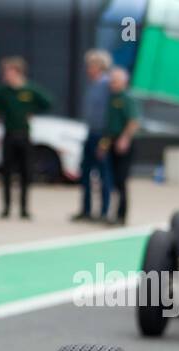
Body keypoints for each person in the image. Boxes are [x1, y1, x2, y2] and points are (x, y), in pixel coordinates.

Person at [0, 57, 52, 219]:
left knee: (25, 172)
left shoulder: (30, 90)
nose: (5, 75)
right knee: (6, 172)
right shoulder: (3, 91)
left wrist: (32, 111)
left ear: (17, 72)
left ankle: (24, 209)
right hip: (9, 135)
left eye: (7, 71)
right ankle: (6, 208)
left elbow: (48, 102)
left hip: (24, 135)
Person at [72, 49, 113, 222]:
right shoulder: (93, 85)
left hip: (101, 136)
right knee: (85, 172)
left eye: (91, 65)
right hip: (90, 134)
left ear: (100, 67)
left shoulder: (106, 86)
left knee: (104, 174)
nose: (88, 69)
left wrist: (105, 142)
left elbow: (109, 115)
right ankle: (86, 210)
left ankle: (104, 212)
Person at [100, 67, 140, 225]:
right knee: (113, 181)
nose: (112, 83)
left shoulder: (127, 98)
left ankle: (121, 216)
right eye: (111, 80)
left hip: (123, 144)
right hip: (111, 141)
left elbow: (133, 121)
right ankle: (112, 213)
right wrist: (103, 145)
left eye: (115, 81)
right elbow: (109, 126)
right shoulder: (111, 98)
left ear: (123, 81)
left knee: (121, 180)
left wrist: (124, 139)